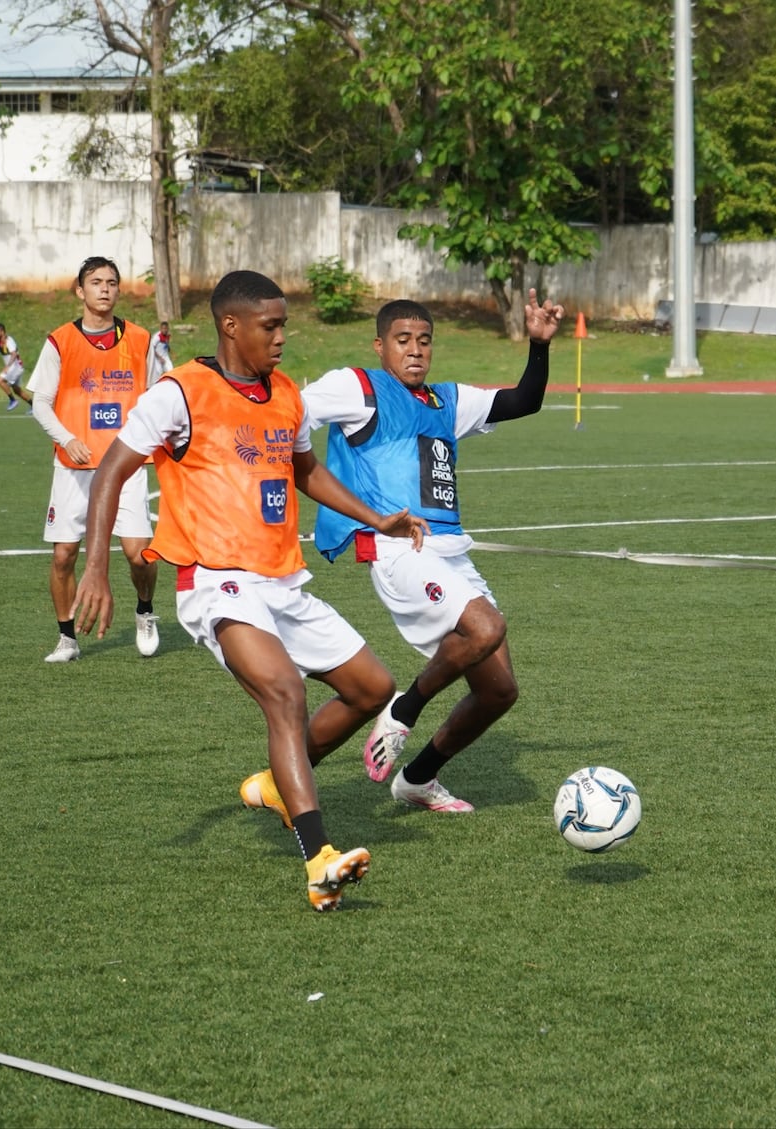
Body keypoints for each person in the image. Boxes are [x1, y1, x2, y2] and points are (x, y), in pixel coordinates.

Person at [72, 270, 429, 912]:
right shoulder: (181, 391)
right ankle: (319, 858)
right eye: (271, 326)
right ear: (231, 326)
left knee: (372, 689)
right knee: (285, 694)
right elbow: (111, 470)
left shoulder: (285, 393)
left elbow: (304, 470)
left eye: (284, 324)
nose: (282, 337)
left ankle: (273, 783)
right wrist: (96, 565)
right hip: (214, 580)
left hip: (280, 578)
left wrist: (378, 518)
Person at [242, 289, 565, 815]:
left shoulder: (446, 401)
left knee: (499, 691)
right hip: (398, 549)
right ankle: (403, 710)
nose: (415, 350)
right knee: (485, 628)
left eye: (424, 341)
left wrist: (538, 345)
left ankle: (416, 778)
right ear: (380, 346)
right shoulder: (359, 387)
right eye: (402, 341)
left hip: (451, 555)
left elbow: (523, 400)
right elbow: (292, 410)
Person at [27, 256, 160, 663]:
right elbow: (41, 403)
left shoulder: (142, 340)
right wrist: (67, 440)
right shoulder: (59, 341)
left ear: (119, 291)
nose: (105, 288)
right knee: (64, 555)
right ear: (80, 291)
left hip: (127, 466)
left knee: (140, 553)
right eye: (96, 281)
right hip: (74, 468)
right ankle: (67, 638)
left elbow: (159, 397)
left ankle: (145, 611)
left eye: (112, 282)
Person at [0, 322, 32, 412]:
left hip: (16, 366)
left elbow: (14, 354)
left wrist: (7, 367)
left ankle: (12, 400)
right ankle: (33, 405)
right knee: (17, 390)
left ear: (2, 332)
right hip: (13, 367)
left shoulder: (9, 341)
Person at [147, 320, 173, 387]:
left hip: (165, 357)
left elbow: (166, 343)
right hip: (157, 359)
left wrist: (170, 350)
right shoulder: (157, 337)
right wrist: (159, 358)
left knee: (171, 371)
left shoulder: (168, 335)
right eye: (163, 328)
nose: (165, 330)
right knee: (158, 374)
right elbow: (152, 348)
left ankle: (170, 387)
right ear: (160, 329)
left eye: (166, 328)